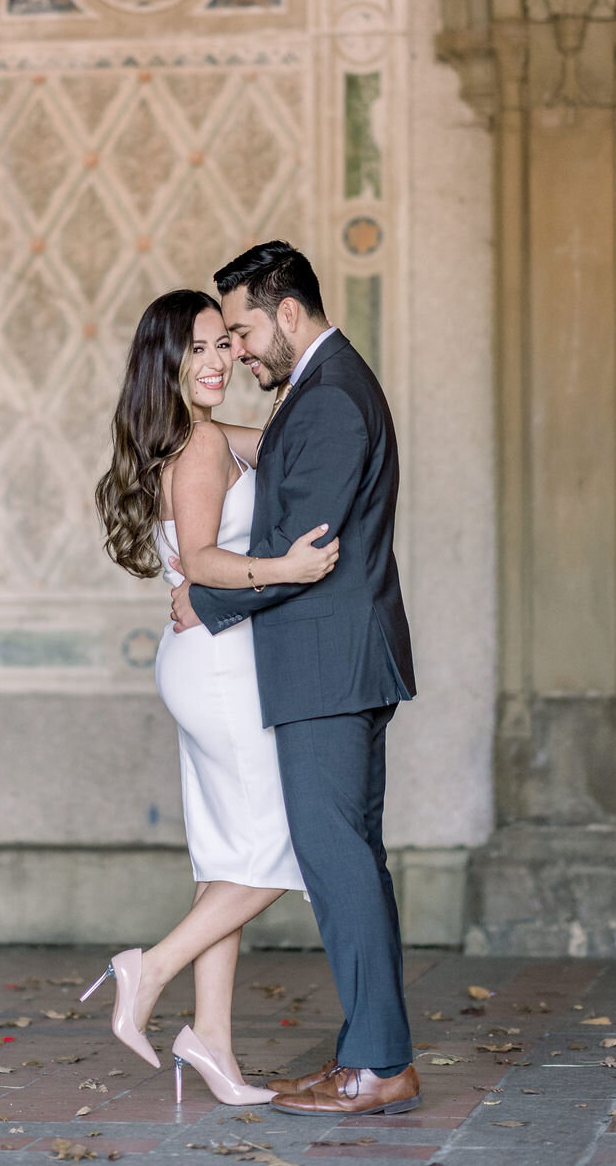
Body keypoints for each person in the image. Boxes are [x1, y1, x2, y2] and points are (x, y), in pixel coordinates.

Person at [169, 241, 421, 1118]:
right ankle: (371, 1053)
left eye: (240, 331)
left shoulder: (332, 399)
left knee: (337, 859)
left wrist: (204, 599)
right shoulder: (320, 391)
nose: (235, 351)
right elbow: (271, 476)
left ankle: (379, 1065)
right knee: (347, 859)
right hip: (333, 661)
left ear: (286, 312)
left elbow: (302, 549)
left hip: (327, 664)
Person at [84, 288, 338, 1107]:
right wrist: (286, 569)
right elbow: (200, 561)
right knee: (280, 846)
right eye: (199, 348)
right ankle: (147, 968)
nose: (219, 360)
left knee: (227, 857)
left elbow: (281, 447)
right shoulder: (195, 447)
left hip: (202, 658)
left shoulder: (201, 434)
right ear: (166, 360)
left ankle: (213, 1045)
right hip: (220, 665)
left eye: (225, 344)